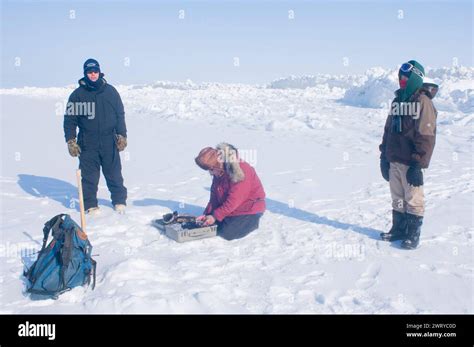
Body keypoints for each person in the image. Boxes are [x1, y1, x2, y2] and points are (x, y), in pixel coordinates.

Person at [379, 60, 438, 249]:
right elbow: (388, 130)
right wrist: (383, 157)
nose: (401, 80)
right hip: (394, 159)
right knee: (397, 197)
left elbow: (426, 136)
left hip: (410, 162)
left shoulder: (423, 102)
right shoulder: (398, 101)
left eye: (406, 77)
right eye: (400, 76)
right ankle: (399, 228)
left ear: (415, 78)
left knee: (413, 198)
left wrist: (417, 165)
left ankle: (412, 234)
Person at [63, 58, 128, 215]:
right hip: (87, 142)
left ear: (100, 72)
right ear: (85, 73)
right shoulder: (77, 95)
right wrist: (71, 140)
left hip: (109, 140)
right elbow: (70, 120)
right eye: (89, 72)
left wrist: (122, 135)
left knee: (114, 173)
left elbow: (120, 115)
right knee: (89, 177)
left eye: (95, 71)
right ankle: (90, 205)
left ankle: (119, 201)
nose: (93, 74)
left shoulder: (111, 92)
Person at [194, 143, 266, 240]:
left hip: (249, 208)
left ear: (217, 164)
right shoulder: (219, 171)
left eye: (211, 169)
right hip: (232, 208)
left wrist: (215, 216)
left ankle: (252, 222)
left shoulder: (240, 170)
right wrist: (208, 214)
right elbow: (214, 196)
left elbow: (235, 200)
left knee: (227, 233)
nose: (210, 172)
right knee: (213, 225)